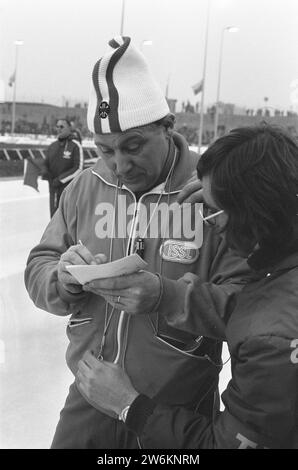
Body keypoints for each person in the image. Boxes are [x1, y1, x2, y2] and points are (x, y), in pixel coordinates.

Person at [24, 36, 251, 449]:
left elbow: (249, 307)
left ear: (169, 127)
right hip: (90, 396)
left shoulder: (210, 193)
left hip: (177, 410)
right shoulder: (86, 188)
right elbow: (39, 263)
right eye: (105, 150)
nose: (120, 165)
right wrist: (62, 280)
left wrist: (166, 296)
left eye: (134, 147)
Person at [77, 124, 298, 449]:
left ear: (253, 209)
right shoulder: (279, 270)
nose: (209, 223)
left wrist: (130, 405)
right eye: (106, 150)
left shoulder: (272, 342)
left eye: (215, 211)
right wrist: (166, 295)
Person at [42, 118, 83, 216]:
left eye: (62, 126)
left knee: (66, 218)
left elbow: (78, 168)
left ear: (69, 128)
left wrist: (60, 180)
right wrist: (45, 171)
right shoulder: (52, 146)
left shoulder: (75, 146)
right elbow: (45, 163)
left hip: (68, 190)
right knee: (54, 217)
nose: (59, 129)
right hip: (53, 188)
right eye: (57, 126)